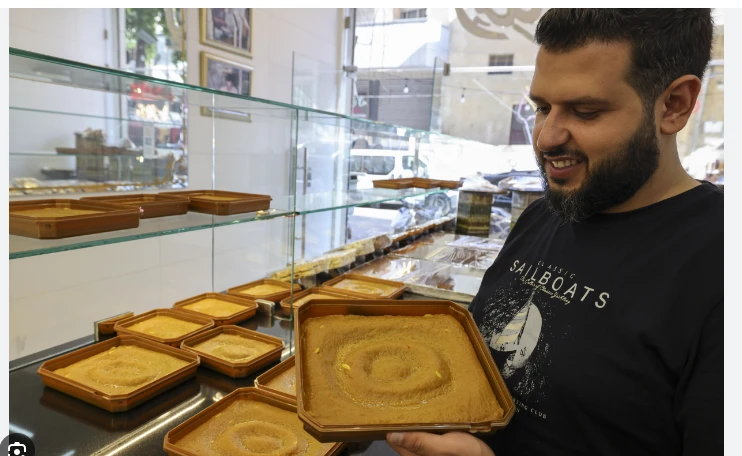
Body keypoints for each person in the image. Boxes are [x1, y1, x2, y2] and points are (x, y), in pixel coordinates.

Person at [387, 9, 722, 456]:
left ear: (674, 104)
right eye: (542, 107)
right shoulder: (543, 216)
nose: (545, 137)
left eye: (585, 112)